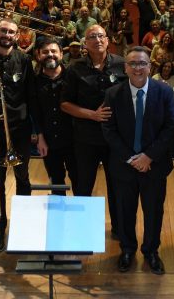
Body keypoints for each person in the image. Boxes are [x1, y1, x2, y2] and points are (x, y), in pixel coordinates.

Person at [102, 46, 174, 274]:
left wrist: (148, 156)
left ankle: (151, 251)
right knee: (125, 211)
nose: (137, 67)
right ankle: (127, 249)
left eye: (142, 63)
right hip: (124, 165)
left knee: (154, 211)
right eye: (132, 63)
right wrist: (131, 158)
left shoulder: (164, 92)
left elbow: (170, 127)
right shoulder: (113, 93)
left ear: (149, 66)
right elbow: (108, 128)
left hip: (154, 165)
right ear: (125, 67)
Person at [61, 25, 127, 240]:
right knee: (83, 185)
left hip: (116, 139)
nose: (97, 39)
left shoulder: (122, 65)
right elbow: (65, 104)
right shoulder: (74, 68)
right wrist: (92, 115)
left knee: (117, 185)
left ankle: (119, 229)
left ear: (108, 41)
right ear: (85, 43)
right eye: (92, 37)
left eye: (101, 36)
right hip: (85, 138)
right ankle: (82, 230)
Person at [0, 18, 36, 252]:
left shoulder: (24, 60)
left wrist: (36, 130)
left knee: (23, 177)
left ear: (17, 35)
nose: (7, 34)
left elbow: (31, 95)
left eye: (11, 32)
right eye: (3, 30)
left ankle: (24, 225)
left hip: (19, 129)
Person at [33, 38, 77, 195]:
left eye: (53, 51)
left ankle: (80, 220)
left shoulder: (74, 78)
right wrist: (40, 137)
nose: (49, 55)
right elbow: (35, 112)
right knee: (56, 183)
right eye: (45, 52)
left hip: (75, 141)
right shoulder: (34, 82)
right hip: (49, 142)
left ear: (61, 54)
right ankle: (60, 219)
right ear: (38, 55)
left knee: (80, 182)